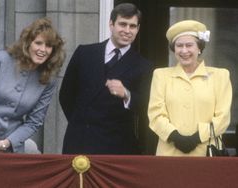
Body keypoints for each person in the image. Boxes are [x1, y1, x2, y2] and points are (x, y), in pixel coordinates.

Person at [0, 17, 65, 153]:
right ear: (27, 43)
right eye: (38, 43)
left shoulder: (48, 79)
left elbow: (34, 122)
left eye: (49, 46)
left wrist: (4, 144)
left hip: (10, 148)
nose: (43, 49)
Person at [59, 3, 153, 154]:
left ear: (138, 29)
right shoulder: (84, 53)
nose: (127, 31)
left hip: (118, 146)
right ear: (111, 24)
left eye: (132, 26)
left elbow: (147, 107)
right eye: (122, 24)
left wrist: (126, 94)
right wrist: (82, 124)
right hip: (80, 141)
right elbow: (66, 95)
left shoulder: (144, 66)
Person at [148, 20, 232, 156]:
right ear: (174, 49)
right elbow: (155, 115)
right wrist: (175, 137)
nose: (184, 50)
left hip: (207, 153)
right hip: (169, 154)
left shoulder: (220, 75)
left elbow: (223, 118)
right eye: (179, 45)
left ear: (199, 48)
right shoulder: (160, 75)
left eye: (189, 45)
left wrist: (197, 138)